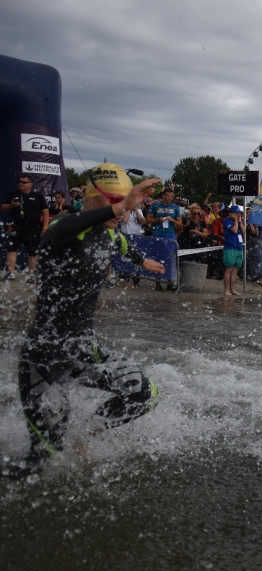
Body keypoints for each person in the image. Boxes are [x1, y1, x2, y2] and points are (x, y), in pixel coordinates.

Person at [12, 164, 166, 474]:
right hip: (45, 357)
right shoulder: (64, 229)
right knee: (43, 463)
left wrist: (141, 261)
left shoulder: (108, 234)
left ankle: (87, 433)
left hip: (84, 350)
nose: (122, 210)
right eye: (112, 200)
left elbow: (121, 244)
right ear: (91, 196)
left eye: (126, 201)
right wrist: (120, 206)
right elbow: (59, 229)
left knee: (144, 394)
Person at [1, 174, 50, 282]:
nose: (20, 184)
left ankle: (31, 274)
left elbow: (45, 212)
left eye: (24, 182)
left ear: (30, 184)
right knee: (11, 248)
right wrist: (11, 206)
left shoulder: (37, 196)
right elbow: (3, 207)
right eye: (19, 182)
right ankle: (11, 273)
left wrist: (45, 226)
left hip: (32, 227)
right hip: (14, 226)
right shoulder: (13, 194)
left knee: (33, 250)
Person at [147, 186, 183, 291]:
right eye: (168, 196)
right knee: (158, 257)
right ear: (163, 196)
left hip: (170, 235)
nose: (169, 198)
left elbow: (180, 224)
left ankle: (169, 282)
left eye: (171, 196)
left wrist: (172, 221)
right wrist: (158, 219)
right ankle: (158, 282)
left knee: (171, 259)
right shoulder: (155, 205)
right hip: (158, 234)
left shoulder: (175, 207)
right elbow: (148, 219)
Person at [222, 205, 245, 296]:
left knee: (235, 270)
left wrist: (240, 222)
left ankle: (233, 289)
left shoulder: (238, 222)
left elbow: (243, 231)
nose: (238, 215)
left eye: (239, 213)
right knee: (229, 269)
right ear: (231, 213)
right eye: (236, 213)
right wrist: (235, 220)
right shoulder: (226, 221)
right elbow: (234, 230)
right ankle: (227, 290)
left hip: (238, 247)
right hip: (230, 248)